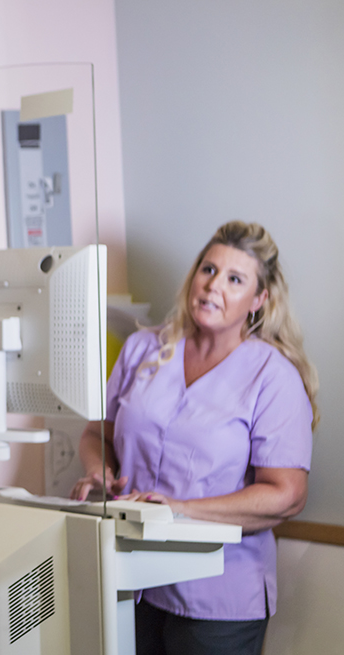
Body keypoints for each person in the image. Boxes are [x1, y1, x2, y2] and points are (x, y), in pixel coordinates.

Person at [70, 221, 317, 655]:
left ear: (259, 300)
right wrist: (99, 471)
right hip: (132, 578)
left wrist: (180, 511)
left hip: (218, 597)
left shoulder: (273, 377)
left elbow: (287, 495)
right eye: (208, 269)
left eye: (234, 279)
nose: (212, 286)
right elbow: (96, 435)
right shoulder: (144, 349)